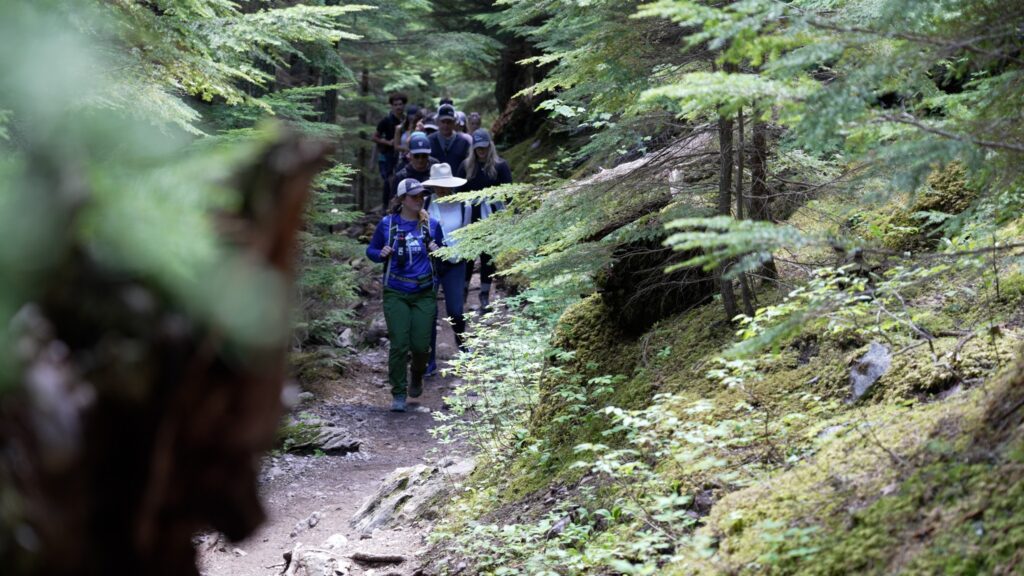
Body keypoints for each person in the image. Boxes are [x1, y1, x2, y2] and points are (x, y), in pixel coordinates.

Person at [365, 178, 444, 412]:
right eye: (414, 196)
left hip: (424, 292)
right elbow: (370, 250)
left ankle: (417, 376)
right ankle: (398, 393)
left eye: (422, 196)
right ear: (402, 200)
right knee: (399, 344)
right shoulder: (387, 225)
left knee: (421, 346)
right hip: (396, 291)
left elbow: (446, 251)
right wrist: (381, 253)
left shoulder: (432, 225)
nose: (419, 200)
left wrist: (439, 250)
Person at [456, 128, 512, 313]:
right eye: (478, 147)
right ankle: (462, 293)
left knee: (488, 257)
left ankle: (484, 297)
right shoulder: (465, 167)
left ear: (490, 146)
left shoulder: (500, 166)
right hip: (469, 216)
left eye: (484, 147)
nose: (481, 150)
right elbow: (457, 193)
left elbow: (508, 192)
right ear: (473, 147)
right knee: (468, 256)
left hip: (492, 215)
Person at [421, 163, 469, 376]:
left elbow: (468, 233)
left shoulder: (464, 205)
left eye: (445, 185)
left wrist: (462, 255)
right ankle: (429, 360)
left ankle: (463, 347)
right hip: (431, 263)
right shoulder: (425, 204)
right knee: (429, 312)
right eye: (438, 185)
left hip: (455, 263)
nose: (442, 189)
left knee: (456, 311)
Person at [372, 92, 407, 208]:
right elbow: (375, 137)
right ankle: (385, 207)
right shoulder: (385, 121)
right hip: (387, 155)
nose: (398, 107)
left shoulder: (406, 121)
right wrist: (388, 142)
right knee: (388, 180)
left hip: (402, 155)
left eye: (400, 104)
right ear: (392, 106)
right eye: (395, 104)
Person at [393, 132, 438, 196]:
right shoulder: (401, 176)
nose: (420, 160)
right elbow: (394, 203)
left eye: (424, 156)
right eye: (416, 156)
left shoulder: (436, 171)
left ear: (428, 155)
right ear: (410, 154)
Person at [428, 103, 470, 170]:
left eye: (449, 122)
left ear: (454, 122)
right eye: (443, 122)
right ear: (438, 122)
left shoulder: (464, 142)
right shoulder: (429, 141)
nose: (446, 125)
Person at [393, 104, 422, 173]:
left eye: (414, 115)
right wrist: (407, 149)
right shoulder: (400, 128)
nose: (412, 117)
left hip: (417, 159)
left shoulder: (420, 128)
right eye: (410, 115)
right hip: (403, 159)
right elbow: (396, 146)